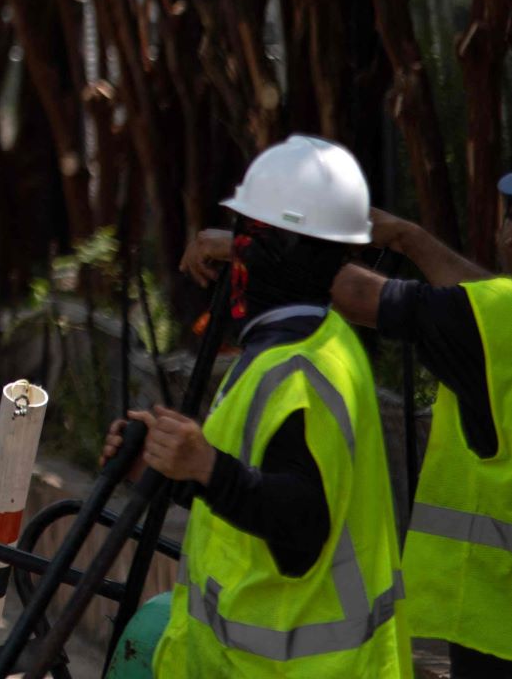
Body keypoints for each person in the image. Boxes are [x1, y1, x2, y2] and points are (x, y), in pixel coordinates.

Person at [186, 171, 512, 679]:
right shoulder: (494, 321)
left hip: (500, 626)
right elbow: (482, 305)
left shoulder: (496, 322)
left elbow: (368, 298)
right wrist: (409, 238)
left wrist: (255, 250)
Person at [106, 135, 409, 679]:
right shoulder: (309, 343)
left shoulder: (300, 370)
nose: (236, 251)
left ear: (282, 251)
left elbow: (300, 524)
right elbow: (247, 488)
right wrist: (166, 468)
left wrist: (204, 467)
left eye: (247, 236)